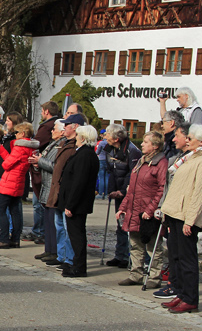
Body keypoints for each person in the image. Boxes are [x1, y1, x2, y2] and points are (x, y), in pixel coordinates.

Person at [156, 123, 202, 314]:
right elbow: (176, 189)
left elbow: (200, 195)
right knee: (176, 257)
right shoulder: (188, 160)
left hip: (186, 217)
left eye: (190, 138)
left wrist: (190, 220)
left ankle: (190, 298)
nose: (187, 140)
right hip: (175, 214)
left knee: (187, 260)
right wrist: (166, 211)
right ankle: (181, 293)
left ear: (201, 141)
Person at [117, 129, 168, 287]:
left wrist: (151, 210)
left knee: (153, 246)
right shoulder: (141, 161)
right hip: (134, 208)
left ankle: (154, 277)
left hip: (147, 212)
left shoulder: (161, 162)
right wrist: (123, 207)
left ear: (155, 146)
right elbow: (131, 188)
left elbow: (162, 188)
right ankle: (136, 274)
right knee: (135, 244)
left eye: (146, 142)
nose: (142, 144)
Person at [55, 122, 100, 278]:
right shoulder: (84, 153)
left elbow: (79, 182)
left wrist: (70, 205)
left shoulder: (85, 155)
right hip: (76, 201)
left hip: (77, 203)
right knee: (76, 235)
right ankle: (76, 264)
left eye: (78, 136)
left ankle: (79, 267)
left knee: (77, 236)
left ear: (83, 137)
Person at [0, 121, 37, 249]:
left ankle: (4, 238)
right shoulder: (30, 147)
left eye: (16, 132)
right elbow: (12, 159)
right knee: (15, 211)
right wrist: (1, 150)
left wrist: (2, 155)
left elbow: (7, 164)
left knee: (0, 210)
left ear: (22, 133)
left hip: (10, 181)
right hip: (18, 181)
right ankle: (15, 239)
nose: (15, 134)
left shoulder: (20, 147)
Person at [34, 115, 73, 265]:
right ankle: (49, 249)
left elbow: (55, 166)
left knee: (54, 222)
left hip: (53, 186)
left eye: (54, 129)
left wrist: (40, 161)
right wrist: (37, 162)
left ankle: (56, 252)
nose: (52, 132)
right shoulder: (53, 144)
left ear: (62, 131)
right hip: (47, 185)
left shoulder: (61, 146)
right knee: (49, 221)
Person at [100, 123, 140, 267]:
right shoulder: (111, 149)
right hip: (117, 189)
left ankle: (129, 257)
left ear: (116, 138)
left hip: (127, 192)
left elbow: (132, 173)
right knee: (119, 224)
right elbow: (111, 170)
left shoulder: (132, 151)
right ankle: (120, 255)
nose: (105, 137)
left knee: (127, 224)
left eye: (108, 134)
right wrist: (111, 190)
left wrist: (123, 191)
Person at [30, 101, 60, 242]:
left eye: (42, 111)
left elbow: (36, 144)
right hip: (43, 167)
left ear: (46, 111)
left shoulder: (47, 126)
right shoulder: (49, 126)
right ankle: (41, 232)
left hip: (44, 170)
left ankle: (40, 232)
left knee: (40, 202)